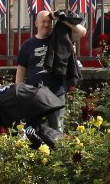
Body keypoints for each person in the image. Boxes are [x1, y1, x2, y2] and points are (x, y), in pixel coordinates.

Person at [12, 8, 88, 136]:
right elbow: (21, 70)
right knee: (31, 131)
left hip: (56, 94)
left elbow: (82, 31)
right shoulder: (27, 45)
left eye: (49, 21)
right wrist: (18, 93)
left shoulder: (60, 38)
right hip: (34, 95)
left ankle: (57, 150)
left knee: (57, 131)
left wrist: (61, 18)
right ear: (36, 23)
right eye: (43, 21)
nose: (46, 24)